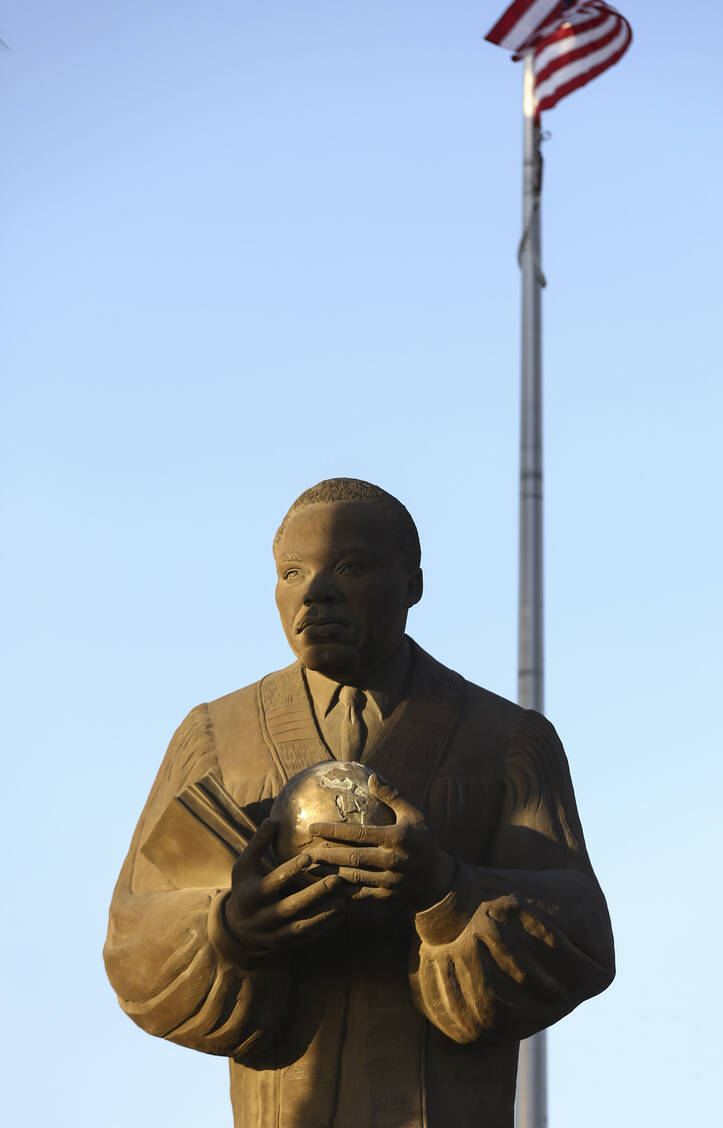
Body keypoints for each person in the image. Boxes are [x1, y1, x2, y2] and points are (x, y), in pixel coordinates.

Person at [104, 478, 614, 1128]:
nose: (315, 591)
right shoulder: (215, 740)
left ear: (412, 584)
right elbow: (133, 938)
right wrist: (232, 928)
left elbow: (579, 938)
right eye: (292, 572)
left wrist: (445, 892)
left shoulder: (505, 742)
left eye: (351, 566)